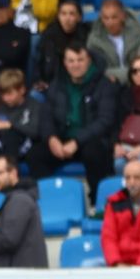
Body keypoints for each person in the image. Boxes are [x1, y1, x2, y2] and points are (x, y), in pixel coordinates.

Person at [42, 43, 119, 182]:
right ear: (65, 63)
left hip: (90, 140)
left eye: (80, 60)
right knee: (36, 154)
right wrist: (52, 138)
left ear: (89, 60)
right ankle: (47, 197)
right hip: (62, 140)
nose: (75, 65)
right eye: (71, 61)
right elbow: (46, 116)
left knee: (94, 152)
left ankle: (96, 199)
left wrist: (77, 141)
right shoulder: (57, 84)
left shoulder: (104, 84)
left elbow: (105, 120)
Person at [0, 68, 47, 167]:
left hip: (27, 149)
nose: (5, 98)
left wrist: (10, 125)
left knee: (11, 135)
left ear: (22, 90)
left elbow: (35, 132)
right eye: (3, 94)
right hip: (0, 151)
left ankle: (8, 171)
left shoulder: (34, 106)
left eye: (9, 94)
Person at [87, 0, 140, 85]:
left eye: (114, 17)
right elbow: (98, 71)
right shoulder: (94, 40)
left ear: (123, 16)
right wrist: (131, 73)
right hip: (111, 86)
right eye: (106, 18)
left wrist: (116, 75)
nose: (110, 22)